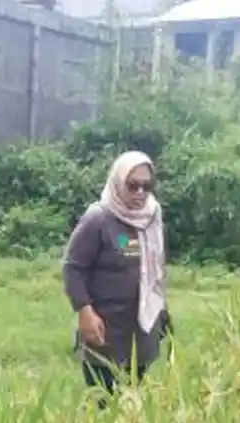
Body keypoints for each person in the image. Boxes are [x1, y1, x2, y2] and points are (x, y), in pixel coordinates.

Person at [62, 150, 172, 404]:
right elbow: (73, 267)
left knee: (133, 403)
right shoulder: (99, 219)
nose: (140, 193)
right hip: (106, 330)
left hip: (142, 329)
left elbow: (154, 269)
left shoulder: (152, 216)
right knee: (104, 404)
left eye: (147, 186)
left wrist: (162, 311)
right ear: (117, 182)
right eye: (132, 186)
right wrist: (84, 311)